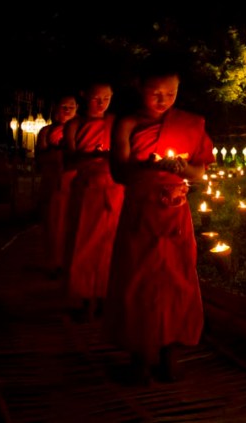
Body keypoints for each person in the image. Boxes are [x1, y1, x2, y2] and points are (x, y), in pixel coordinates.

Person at [104, 53, 215, 384]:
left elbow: (200, 174)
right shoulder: (127, 124)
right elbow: (118, 172)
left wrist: (182, 169)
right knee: (137, 280)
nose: (163, 99)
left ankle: (170, 352)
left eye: (171, 93)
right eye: (155, 92)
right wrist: (149, 166)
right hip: (140, 213)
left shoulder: (191, 124)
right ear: (140, 87)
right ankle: (139, 354)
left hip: (175, 216)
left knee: (176, 280)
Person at [63, 79, 124, 322]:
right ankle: (83, 296)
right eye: (96, 98)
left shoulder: (116, 122)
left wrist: (111, 158)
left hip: (114, 188)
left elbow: (125, 154)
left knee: (111, 244)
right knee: (83, 242)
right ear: (84, 95)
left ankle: (106, 295)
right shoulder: (74, 125)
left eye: (107, 98)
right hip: (86, 190)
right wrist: (92, 158)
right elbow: (68, 162)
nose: (101, 104)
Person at [36, 93, 79, 278]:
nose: (67, 109)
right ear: (55, 109)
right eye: (63, 106)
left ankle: (73, 263)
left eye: (71, 106)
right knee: (54, 225)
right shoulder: (46, 131)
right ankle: (55, 263)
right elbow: (40, 157)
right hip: (53, 182)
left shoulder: (80, 129)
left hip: (74, 183)